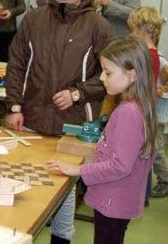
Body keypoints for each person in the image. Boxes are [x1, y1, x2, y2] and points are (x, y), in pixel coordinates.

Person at [5, 0, 113, 243]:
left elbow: (110, 77)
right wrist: (14, 105)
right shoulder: (34, 19)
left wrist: (78, 93)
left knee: (63, 194)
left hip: (73, 125)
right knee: (25, 188)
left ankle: (61, 238)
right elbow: (16, 63)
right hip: (32, 119)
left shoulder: (98, 28)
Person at [46, 37, 157, 244]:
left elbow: (120, 165)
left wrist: (77, 169)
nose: (102, 78)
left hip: (113, 201)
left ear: (132, 75)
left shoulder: (128, 112)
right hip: (119, 198)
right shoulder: (139, 105)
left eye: (108, 72)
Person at [128, 7, 168, 199]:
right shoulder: (143, 54)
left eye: (133, 30)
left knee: (155, 149)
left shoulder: (158, 58)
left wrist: (157, 92)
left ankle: (166, 180)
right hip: (147, 112)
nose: (131, 34)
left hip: (155, 114)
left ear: (144, 29)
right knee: (148, 148)